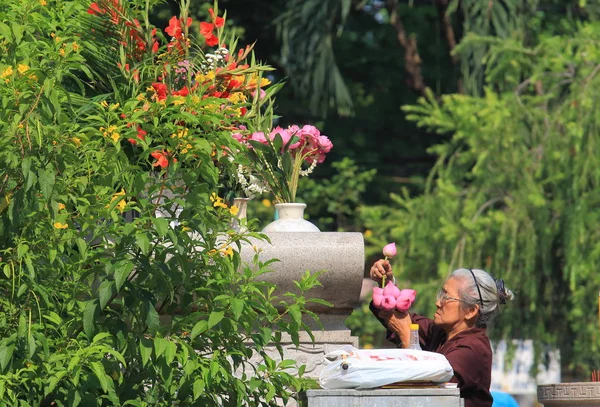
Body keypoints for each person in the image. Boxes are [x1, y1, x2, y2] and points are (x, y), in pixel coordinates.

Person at [369, 260, 514, 407]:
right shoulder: (442, 332)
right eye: (441, 294)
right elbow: (402, 319)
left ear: (471, 311)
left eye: (447, 298)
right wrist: (386, 285)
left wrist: (407, 336)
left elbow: (426, 393)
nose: (438, 302)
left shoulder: (472, 350)